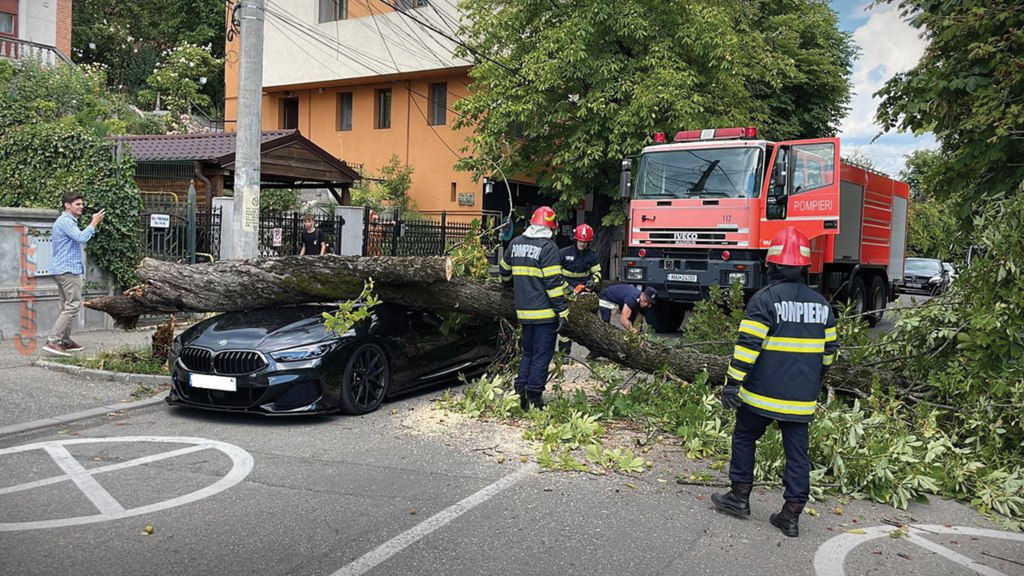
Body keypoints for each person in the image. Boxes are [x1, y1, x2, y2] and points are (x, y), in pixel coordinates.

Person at [711, 226, 840, 538]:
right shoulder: (821, 305)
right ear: (805, 266)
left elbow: (746, 349)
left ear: (772, 264)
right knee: (797, 453)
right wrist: (816, 377)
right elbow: (831, 352)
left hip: (760, 395)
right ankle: (792, 514)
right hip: (801, 397)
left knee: (744, 438)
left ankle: (740, 497)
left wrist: (732, 384)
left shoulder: (764, 300)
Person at [499, 206, 568, 410]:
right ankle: (534, 396)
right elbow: (554, 284)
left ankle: (520, 392)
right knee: (541, 355)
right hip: (545, 314)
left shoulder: (515, 243)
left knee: (527, 353)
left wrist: (510, 284)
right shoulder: (548, 248)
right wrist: (562, 310)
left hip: (523, 312)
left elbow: (504, 272)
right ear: (550, 228)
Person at [42, 192, 105, 356]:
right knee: (73, 305)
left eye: (82, 204)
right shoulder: (65, 221)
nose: (81, 206)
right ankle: (53, 341)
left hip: (62, 269)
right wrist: (94, 223)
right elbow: (81, 237)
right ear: (67, 205)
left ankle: (65, 341)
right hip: (68, 270)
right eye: (77, 204)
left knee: (66, 306)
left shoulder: (67, 221)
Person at [558, 224, 601, 353]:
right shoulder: (563, 253)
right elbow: (554, 275)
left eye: (585, 242)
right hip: (565, 290)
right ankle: (563, 354)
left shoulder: (592, 256)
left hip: (583, 292)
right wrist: (568, 288)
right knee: (565, 322)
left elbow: (597, 273)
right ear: (575, 239)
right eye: (580, 241)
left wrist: (593, 282)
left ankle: (596, 351)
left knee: (590, 323)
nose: (582, 244)